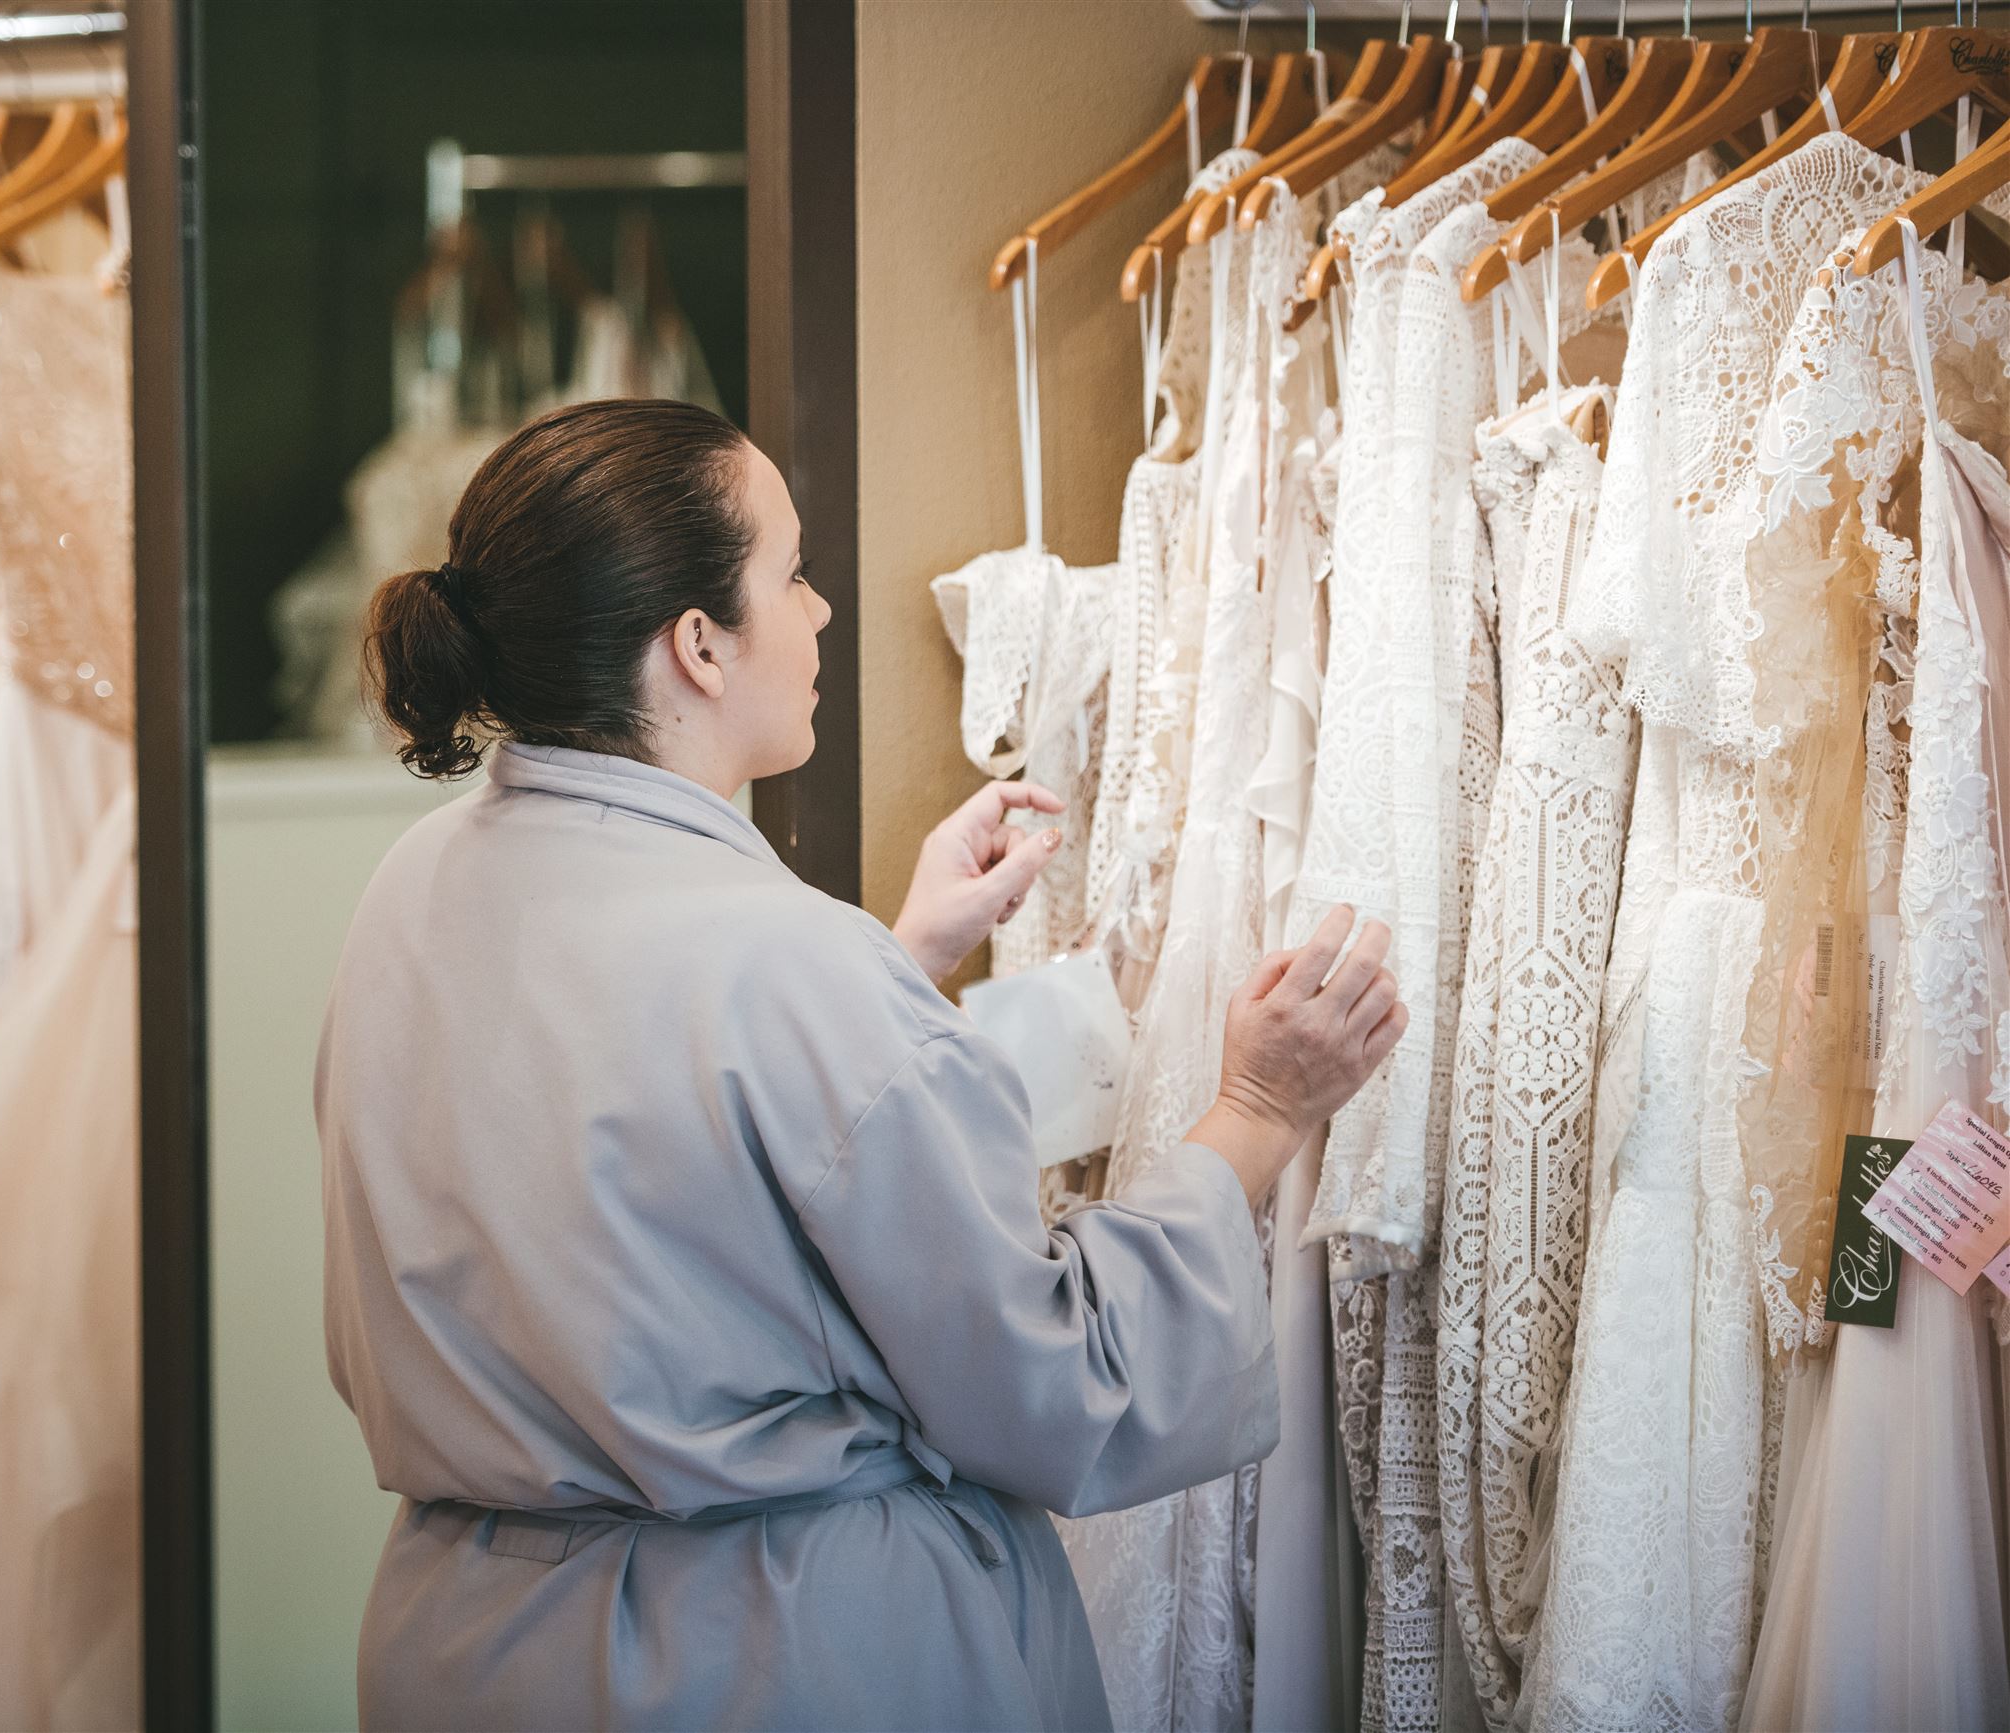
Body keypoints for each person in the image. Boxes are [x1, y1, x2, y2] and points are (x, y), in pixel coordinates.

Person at [318, 397, 1403, 1731]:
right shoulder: (791, 966)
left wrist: (899, 955)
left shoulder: (409, 893)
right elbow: (1054, 1382)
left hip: (470, 1646)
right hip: (760, 1657)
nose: (823, 612)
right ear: (700, 644)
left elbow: (634, 1143)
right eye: (794, 572)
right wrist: (1257, 1106)